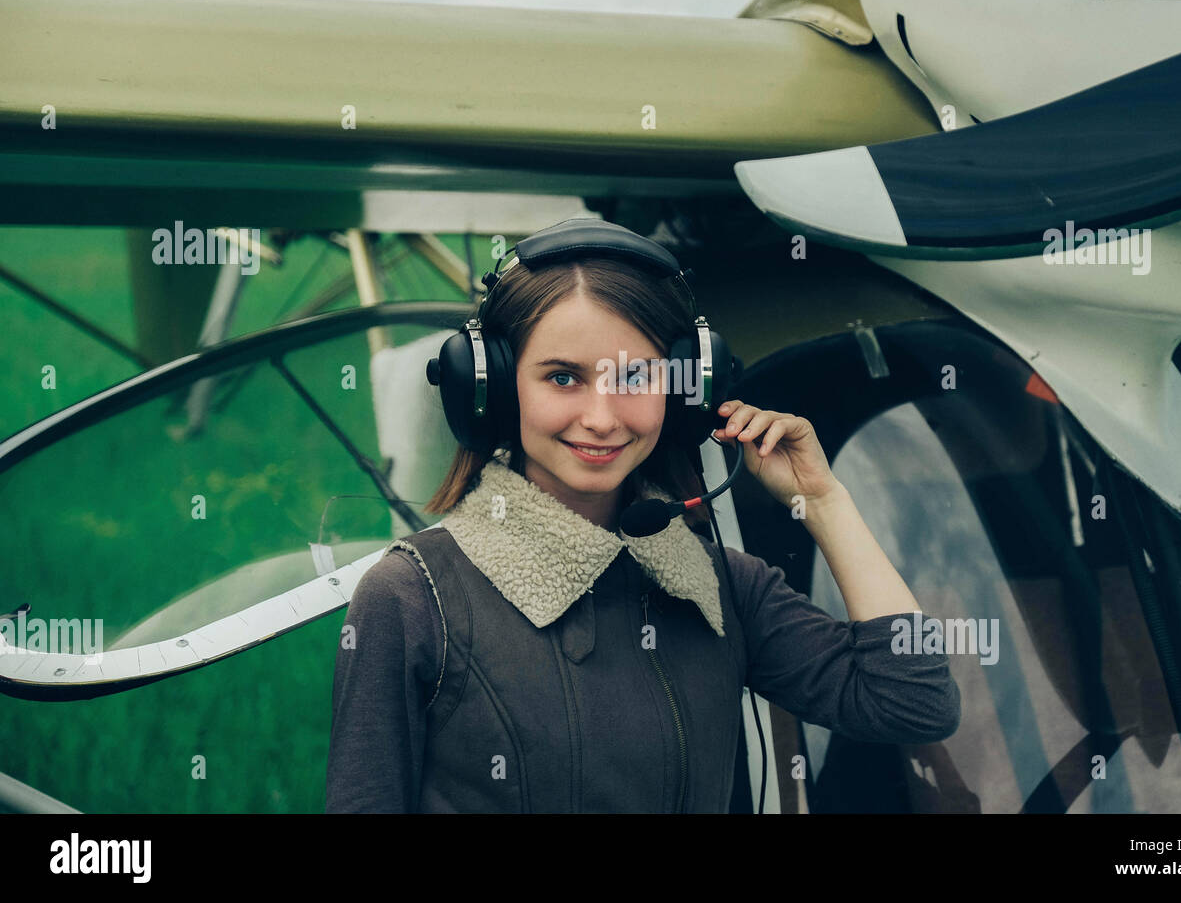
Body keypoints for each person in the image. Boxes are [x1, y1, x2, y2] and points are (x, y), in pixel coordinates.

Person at [325, 221, 960, 813]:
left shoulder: (722, 588)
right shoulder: (412, 599)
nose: (603, 417)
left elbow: (913, 701)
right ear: (488, 387)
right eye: (564, 378)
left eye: (635, 377)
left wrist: (824, 501)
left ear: (685, 392)